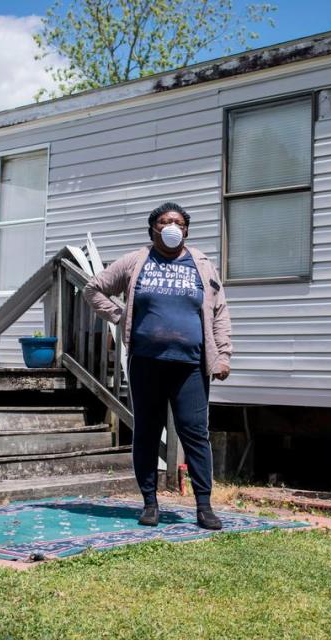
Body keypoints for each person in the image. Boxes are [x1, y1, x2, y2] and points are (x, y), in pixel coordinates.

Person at [84, 202, 232, 530]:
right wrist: (120, 316)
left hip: (191, 366)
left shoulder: (202, 264)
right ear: (153, 229)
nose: (172, 227)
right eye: (165, 222)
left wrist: (223, 355)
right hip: (146, 364)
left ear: (187, 230)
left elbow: (219, 311)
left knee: (195, 433)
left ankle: (204, 507)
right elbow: (93, 289)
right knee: (148, 433)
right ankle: (150, 503)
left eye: (178, 222)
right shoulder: (135, 261)